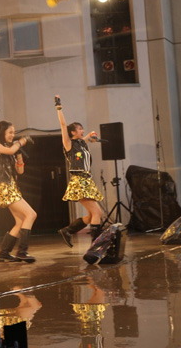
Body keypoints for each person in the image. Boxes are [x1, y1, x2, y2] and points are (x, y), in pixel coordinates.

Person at [55, 95, 104, 247]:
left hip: (87, 180)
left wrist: (91, 135)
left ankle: (68, 230)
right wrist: (58, 107)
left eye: (82, 128)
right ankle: (96, 246)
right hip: (79, 181)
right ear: (72, 133)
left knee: (91, 215)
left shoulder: (82, 143)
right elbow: (63, 125)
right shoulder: (69, 144)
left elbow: (88, 137)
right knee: (97, 213)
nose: (82, 130)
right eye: (79, 128)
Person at [0, 121, 37, 263]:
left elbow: (20, 171)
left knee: (20, 221)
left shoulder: (10, 150)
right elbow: (10, 150)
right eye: (10, 132)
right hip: (3, 187)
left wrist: (19, 154)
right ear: (2, 132)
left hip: (10, 187)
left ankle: (4, 253)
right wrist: (21, 142)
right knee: (31, 214)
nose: (12, 135)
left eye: (14, 132)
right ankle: (22, 252)